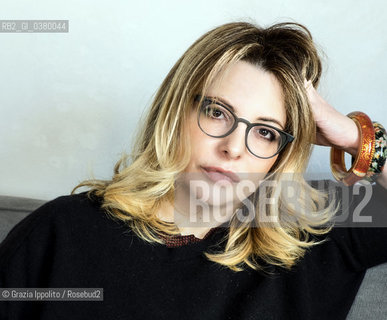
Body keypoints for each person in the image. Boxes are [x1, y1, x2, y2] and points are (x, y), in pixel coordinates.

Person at [0, 21, 386, 320]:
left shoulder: (318, 230)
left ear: (281, 154)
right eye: (217, 113)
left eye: (266, 132)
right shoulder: (62, 232)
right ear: (177, 111)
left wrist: (356, 136)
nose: (233, 147)